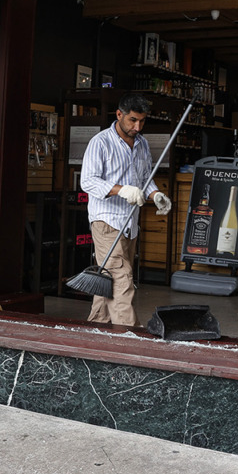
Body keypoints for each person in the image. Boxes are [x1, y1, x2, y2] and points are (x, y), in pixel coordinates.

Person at [80, 92, 172, 327]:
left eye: (142, 121)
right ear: (119, 114)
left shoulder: (142, 144)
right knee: (122, 278)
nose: (137, 126)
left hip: (130, 223)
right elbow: (88, 181)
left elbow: (144, 179)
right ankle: (130, 336)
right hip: (106, 220)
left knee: (107, 279)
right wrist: (121, 190)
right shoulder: (100, 142)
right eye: (132, 120)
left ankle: (96, 328)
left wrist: (156, 194)